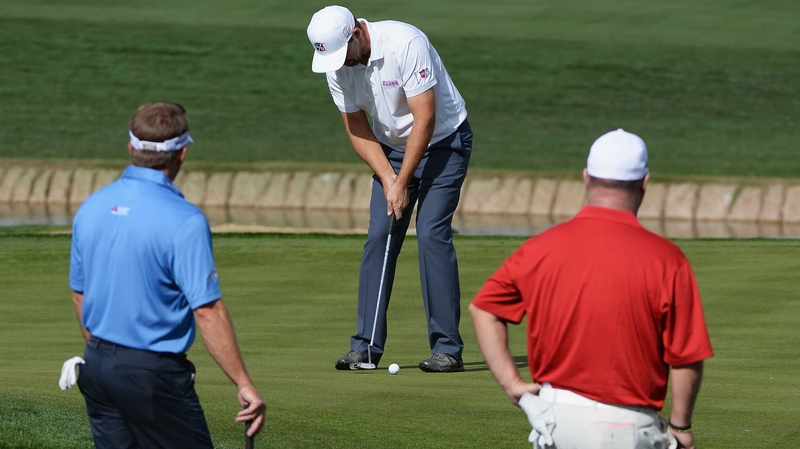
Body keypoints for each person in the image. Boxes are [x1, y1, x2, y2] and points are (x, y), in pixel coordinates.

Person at [469, 129, 714, 449]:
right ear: (644, 183)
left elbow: (484, 308)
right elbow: (685, 358)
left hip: (555, 420)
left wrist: (512, 383)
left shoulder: (541, 248)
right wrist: (680, 426)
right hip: (629, 427)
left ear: (586, 178)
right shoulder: (668, 260)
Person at [68, 102, 266, 448]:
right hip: (151, 376)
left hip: (96, 365)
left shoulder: (92, 206)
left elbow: (79, 295)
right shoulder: (185, 220)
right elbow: (207, 311)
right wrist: (243, 383)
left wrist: (109, 359)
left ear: (131, 148)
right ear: (182, 154)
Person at [307, 5, 472, 372]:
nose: (338, 64)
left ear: (355, 34)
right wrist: (388, 177)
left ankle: (447, 349)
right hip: (392, 152)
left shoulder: (405, 42)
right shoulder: (335, 64)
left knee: (430, 232)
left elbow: (425, 119)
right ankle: (365, 347)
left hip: (444, 143)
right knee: (380, 234)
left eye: (342, 54)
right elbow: (356, 127)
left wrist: (403, 180)